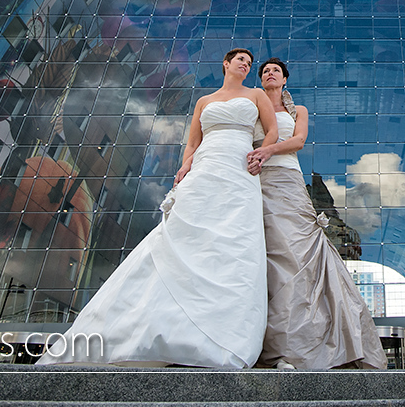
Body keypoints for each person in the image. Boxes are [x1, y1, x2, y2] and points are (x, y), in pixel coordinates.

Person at [38, 49, 278, 367]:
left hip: (239, 166)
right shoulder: (204, 101)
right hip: (205, 166)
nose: (246, 65)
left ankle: (220, 332)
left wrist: (263, 153)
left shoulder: (256, 95)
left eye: (249, 63)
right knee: (182, 234)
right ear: (226, 64)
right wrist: (184, 168)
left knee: (233, 240)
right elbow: (193, 143)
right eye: (240, 61)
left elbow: (271, 131)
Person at [246, 58, 386, 370]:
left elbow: (297, 141)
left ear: (284, 80)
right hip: (254, 179)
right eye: (265, 70)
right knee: (263, 253)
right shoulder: (250, 105)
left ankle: (304, 339)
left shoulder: (299, 111)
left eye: (276, 71)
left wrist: (267, 150)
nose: (270, 73)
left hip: (286, 178)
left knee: (295, 251)